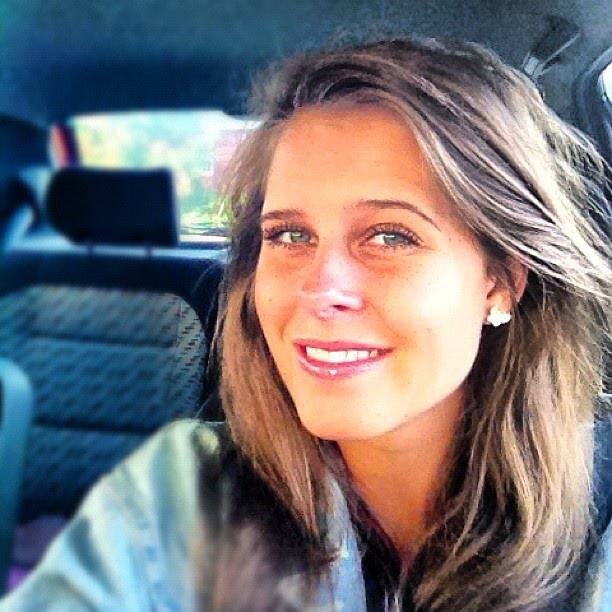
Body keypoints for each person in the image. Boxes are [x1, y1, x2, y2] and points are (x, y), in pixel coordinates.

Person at [1, 37, 611, 612]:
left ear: (501, 281)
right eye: (290, 235)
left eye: (390, 236)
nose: (319, 291)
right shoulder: (183, 492)